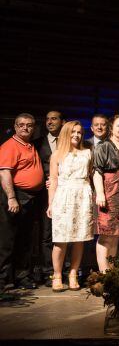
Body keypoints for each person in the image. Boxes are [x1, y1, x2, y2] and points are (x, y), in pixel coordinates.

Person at [46, 121, 93, 292]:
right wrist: (50, 203)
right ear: (66, 133)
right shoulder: (57, 155)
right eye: (73, 132)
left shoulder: (88, 153)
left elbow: (91, 176)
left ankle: (73, 274)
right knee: (61, 239)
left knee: (79, 239)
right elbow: (54, 180)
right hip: (63, 196)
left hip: (82, 195)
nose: (76, 135)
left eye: (79, 132)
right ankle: (57, 275)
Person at [0, 113, 45, 290]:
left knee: (25, 240)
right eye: (21, 125)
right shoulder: (10, 146)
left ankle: (22, 275)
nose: (25, 128)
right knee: (8, 239)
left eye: (29, 125)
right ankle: (3, 279)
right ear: (15, 126)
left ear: (34, 127)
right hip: (15, 196)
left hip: (31, 197)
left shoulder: (30, 145)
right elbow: (4, 173)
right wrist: (12, 198)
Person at [92, 114, 119, 272]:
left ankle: (112, 270)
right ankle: (104, 272)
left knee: (116, 235)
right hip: (109, 195)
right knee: (106, 235)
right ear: (111, 128)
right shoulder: (105, 145)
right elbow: (97, 171)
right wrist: (101, 194)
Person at [35, 110, 64, 287]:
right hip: (46, 194)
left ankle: (65, 269)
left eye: (54, 119)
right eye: (47, 119)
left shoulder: (70, 142)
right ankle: (48, 272)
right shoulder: (38, 143)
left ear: (62, 121)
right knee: (47, 233)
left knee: (65, 233)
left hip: (67, 191)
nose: (50, 122)